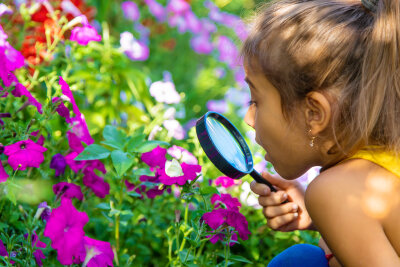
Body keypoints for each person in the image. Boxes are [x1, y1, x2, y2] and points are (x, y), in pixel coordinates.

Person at [241, 0, 400, 266]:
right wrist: (319, 218)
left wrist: (330, 205)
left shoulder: (336, 191)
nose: (249, 119)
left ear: (314, 114)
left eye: (256, 102)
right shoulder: (379, 167)